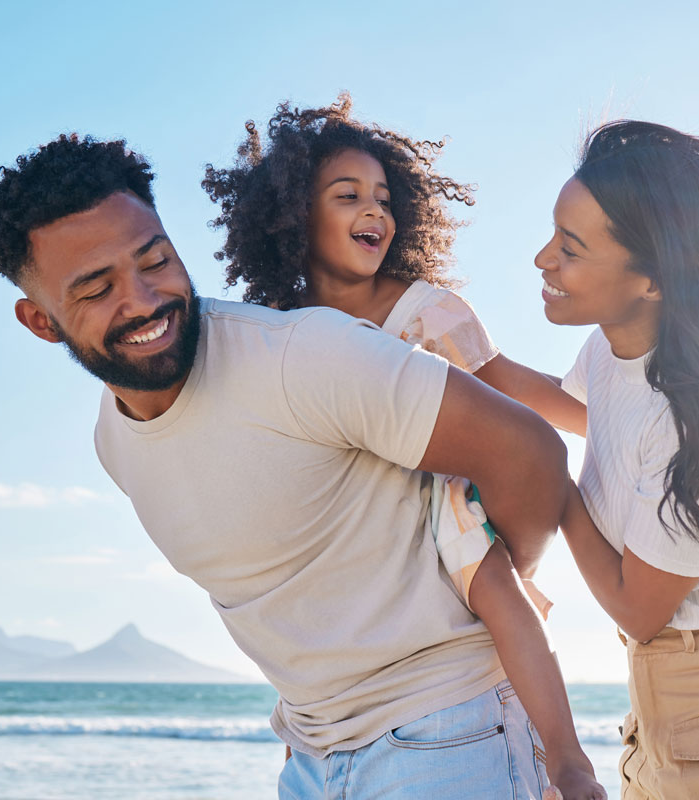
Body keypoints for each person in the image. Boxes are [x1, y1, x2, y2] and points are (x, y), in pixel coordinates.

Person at [0, 134, 570, 799]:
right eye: (96, 289)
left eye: (155, 260)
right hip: (310, 756)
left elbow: (531, 452)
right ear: (39, 321)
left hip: (445, 735)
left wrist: (489, 580)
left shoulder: (303, 358)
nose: (143, 300)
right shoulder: (113, 441)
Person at [202, 94, 604, 800]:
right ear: (297, 214)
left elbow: (508, 384)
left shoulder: (423, 309)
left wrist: (610, 420)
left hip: (436, 497)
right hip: (353, 523)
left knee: (499, 592)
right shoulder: (282, 333)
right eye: (348, 194)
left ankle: (568, 762)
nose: (374, 212)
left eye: (384, 198)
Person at [531, 121, 699, 799]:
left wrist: (551, 482)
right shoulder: (613, 350)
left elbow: (640, 609)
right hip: (665, 711)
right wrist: (453, 350)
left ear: (655, 281)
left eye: (570, 248)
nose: (543, 259)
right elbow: (569, 407)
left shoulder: (697, 417)